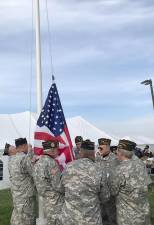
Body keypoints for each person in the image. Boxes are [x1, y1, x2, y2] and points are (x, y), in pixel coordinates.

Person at [57, 139, 110, 225]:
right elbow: (105, 197)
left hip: (70, 219)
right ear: (93, 153)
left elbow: (61, 189)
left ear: (80, 152)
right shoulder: (99, 170)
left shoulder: (68, 167)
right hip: (91, 220)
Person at [109, 139, 151, 225]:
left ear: (120, 152)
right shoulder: (140, 165)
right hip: (143, 213)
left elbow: (113, 192)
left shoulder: (119, 170)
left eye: (117, 150)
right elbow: (147, 184)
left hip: (128, 217)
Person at [33, 140, 63, 225]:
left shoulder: (38, 162)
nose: (58, 151)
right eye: (57, 149)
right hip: (54, 200)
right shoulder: (51, 162)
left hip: (44, 198)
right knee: (56, 221)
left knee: (50, 221)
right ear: (52, 150)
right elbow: (58, 185)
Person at [9, 138, 36, 225]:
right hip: (25, 196)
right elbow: (34, 173)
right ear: (24, 146)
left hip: (16, 194)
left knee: (17, 216)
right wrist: (30, 152)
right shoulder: (24, 159)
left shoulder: (11, 159)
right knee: (27, 218)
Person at [96, 138, 118, 225]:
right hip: (99, 194)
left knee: (112, 218)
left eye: (101, 148)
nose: (99, 150)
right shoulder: (97, 158)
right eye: (99, 148)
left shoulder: (115, 159)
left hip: (111, 196)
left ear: (108, 147)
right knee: (101, 217)